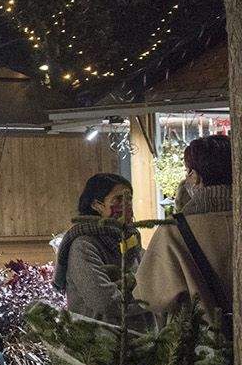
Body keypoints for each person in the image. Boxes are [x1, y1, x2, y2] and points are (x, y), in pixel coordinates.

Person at [138, 133, 233, 326]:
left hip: (201, 343)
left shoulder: (174, 231)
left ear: (195, 177)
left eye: (187, 171)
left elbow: (148, 296)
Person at [54, 172, 145, 325]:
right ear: (97, 205)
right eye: (118, 199)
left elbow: (157, 277)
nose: (126, 204)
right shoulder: (83, 246)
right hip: (102, 344)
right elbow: (105, 301)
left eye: (129, 198)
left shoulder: (132, 242)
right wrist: (150, 298)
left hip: (141, 342)